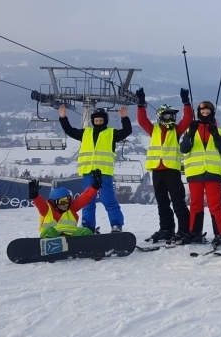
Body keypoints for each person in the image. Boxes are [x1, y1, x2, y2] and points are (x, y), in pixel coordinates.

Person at [59, 104, 132, 233]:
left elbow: (127, 131)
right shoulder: (85, 133)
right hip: (88, 172)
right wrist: (63, 117)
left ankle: (116, 225)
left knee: (108, 199)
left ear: (105, 121)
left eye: (101, 121)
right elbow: (69, 130)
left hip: (104, 173)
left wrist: (124, 117)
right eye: (96, 121)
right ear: (93, 121)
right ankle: (88, 226)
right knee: (87, 200)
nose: (98, 123)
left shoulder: (111, 133)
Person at [135, 87, 193, 244]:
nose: (171, 118)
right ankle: (166, 229)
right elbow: (142, 121)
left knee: (178, 200)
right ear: (161, 116)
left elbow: (187, 119)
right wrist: (141, 104)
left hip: (171, 170)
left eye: (173, 115)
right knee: (162, 202)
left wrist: (186, 102)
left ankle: (184, 229)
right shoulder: (153, 130)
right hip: (157, 170)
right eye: (168, 115)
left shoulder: (176, 130)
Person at [179, 100, 221, 247]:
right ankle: (195, 233)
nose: (205, 115)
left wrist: (216, 136)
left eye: (208, 113)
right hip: (195, 173)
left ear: (212, 114)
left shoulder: (219, 131)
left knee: (215, 205)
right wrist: (190, 134)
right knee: (196, 204)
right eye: (203, 113)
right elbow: (184, 149)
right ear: (199, 113)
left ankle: (220, 234)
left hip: (212, 173)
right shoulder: (191, 130)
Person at [29, 169, 102, 238]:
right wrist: (34, 196)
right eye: (62, 202)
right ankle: (47, 248)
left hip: (72, 239)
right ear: (54, 202)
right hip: (54, 240)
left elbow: (85, 197)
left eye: (67, 200)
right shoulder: (47, 209)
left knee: (85, 231)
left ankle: (89, 248)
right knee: (49, 230)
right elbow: (40, 204)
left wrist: (95, 187)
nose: (65, 204)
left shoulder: (71, 207)